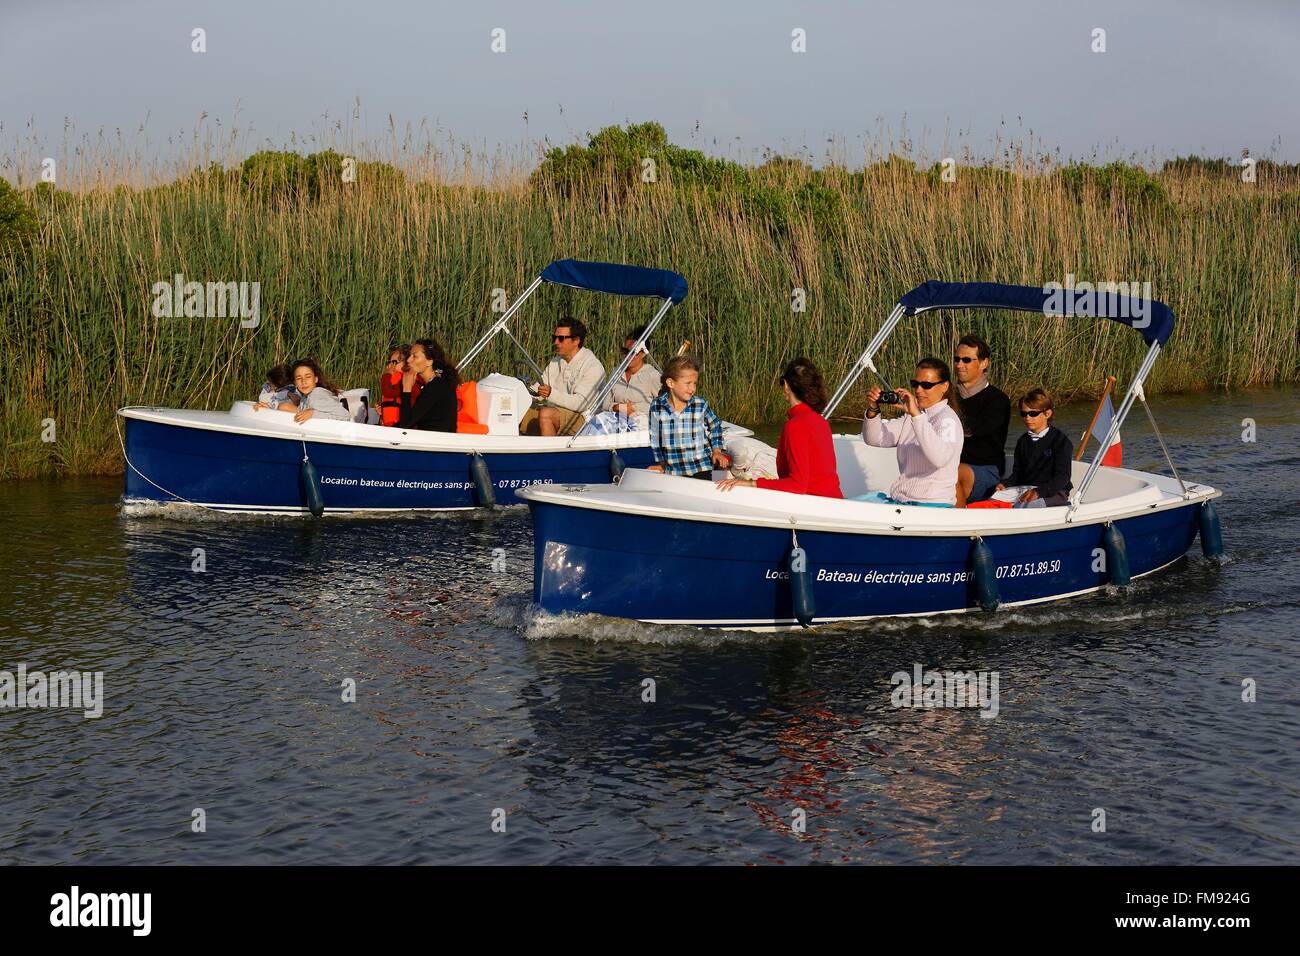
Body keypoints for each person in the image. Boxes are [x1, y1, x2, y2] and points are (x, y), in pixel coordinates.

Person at [717, 358, 842, 498]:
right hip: (834, 501)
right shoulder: (821, 422)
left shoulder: (795, 426)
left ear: (786, 386)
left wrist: (751, 483)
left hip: (814, 507)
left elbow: (797, 485)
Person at [861, 358, 964, 507]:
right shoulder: (913, 417)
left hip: (931, 504)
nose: (918, 390)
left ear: (944, 386)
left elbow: (939, 459)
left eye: (926, 385)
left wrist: (916, 415)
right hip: (903, 502)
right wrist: (873, 409)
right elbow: (874, 438)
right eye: (915, 384)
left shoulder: (948, 420)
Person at [647, 355, 729, 480]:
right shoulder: (657, 406)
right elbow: (655, 438)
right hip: (674, 471)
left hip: (703, 467)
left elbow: (716, 426)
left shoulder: (699, 404)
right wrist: (662, 464)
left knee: (712, 487)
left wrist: (717, 451)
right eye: (688, 383)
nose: (693, 389)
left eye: (695, 384)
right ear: (670, 383)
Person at [952, 334, 1011, 506]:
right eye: (957, 359)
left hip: (987, 470)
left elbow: (974, 430)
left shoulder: (998, 400)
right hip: (950, 464)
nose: (959, 365)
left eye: (966, 360)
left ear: (984, 363)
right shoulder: (948, 397)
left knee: (952, 473)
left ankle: (955, 527)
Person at [996, 388, 1074, 507]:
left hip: (1055, 492)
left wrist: (1039, 492)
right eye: (1023, 413)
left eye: (1033, 414)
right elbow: (1017, 475)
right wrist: (1004, 484)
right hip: (1025, 489)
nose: (1027, 418)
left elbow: (1062, 477)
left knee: (1024, 507)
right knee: (992, 500)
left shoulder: (1061, 441)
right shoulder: (1022, 441)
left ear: (1047, 414)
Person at [583, 325, 661, 435]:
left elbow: (662, 405)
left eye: (633, 352)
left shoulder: (652, 375)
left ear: (643, 353)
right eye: (625, 351)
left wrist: (635, 408)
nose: (628, 356)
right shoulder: (616, 373)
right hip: (615, 419)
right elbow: (604, 404)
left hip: (641, 425)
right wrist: (617, 407)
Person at [537, 318, 605, 436]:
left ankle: (550, 454)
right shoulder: (555, 362)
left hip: (586, 420)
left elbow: (581, 404)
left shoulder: (593, 366)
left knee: (546, 414)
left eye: (561, 339)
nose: (556, 342)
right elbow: (539, 387)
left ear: (576, 341)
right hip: (558, 413)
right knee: (516, 411)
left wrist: (550, 394)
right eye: (554, 338)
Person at [398, 338, 459, 432]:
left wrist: (406, 389)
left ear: (429, 361)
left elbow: (405, 424)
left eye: (414, 356)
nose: (409, 360)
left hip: (436, 442)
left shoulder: (437, 385)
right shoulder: (438, 381)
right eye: (410, 355)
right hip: (430, 439)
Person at [283, 358, 351, 423]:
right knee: (284, 406)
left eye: (308, 377)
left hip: (333, 433)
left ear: (316, 379)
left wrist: (313, 414)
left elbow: (345, 415)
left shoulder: (315, 395)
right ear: (295, 383)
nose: (304, 381)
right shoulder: (305, 397)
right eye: (299, 378)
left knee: (283, 406)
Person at [379, 345, 421, 426]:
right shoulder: (397, 379)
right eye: (390, 362)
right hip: (394, 426)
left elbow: (388, 392)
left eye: (395, 362)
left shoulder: (407, 380)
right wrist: (383, 409)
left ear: (407, 363)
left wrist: (386, 375)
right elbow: (393, 400)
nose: (391, 366)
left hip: (405, 427)